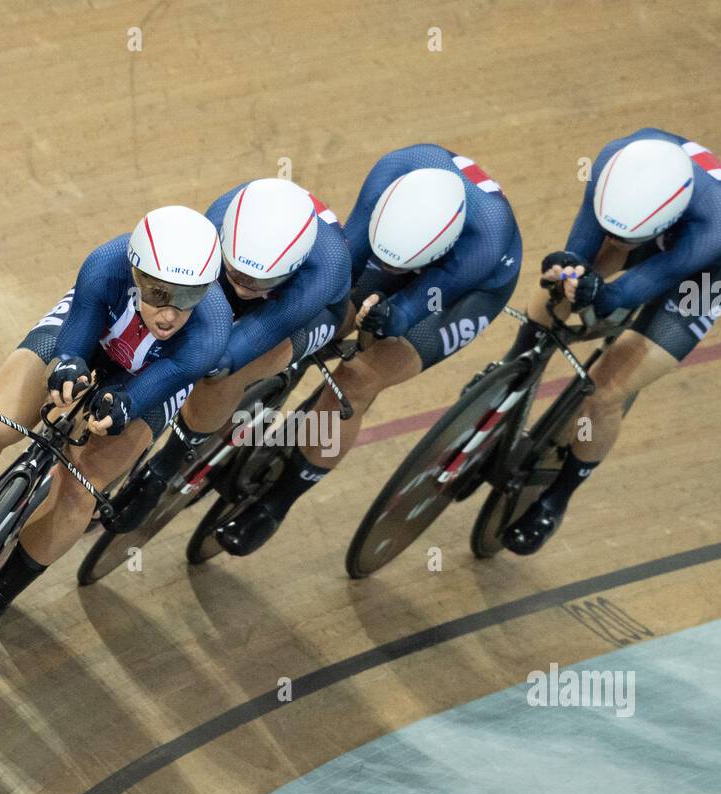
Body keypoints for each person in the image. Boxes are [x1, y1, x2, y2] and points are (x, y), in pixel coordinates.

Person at [0, 205, 232, 664]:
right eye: (158, 293)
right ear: (135, 271)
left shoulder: (212, 331)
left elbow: (160, 382)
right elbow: (79, 333)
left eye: (187, 298)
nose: (170, 313)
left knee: (80, 491)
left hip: (151, 380)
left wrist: (122, 405)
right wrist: (70, 363)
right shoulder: (106, 263)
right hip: (91, 337)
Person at [215, 144, 523, 556]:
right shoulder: (395, 169)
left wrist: (393, 318)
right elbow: (348, 264)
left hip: (464, 290)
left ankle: (278, 501)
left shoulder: (486, 238)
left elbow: (416, 306)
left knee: (357, 378)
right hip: (392, 245)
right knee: (325, 312)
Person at [501, 128, 721, 554]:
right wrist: (569, 272)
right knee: (555, 296)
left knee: (604, 393)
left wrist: (600, 295)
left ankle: (556, 499)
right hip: (646, 227)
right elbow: (578, 257)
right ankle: (513, 375)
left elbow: (633, 290)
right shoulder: (615, 161)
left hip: (702, 274)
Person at [104, 178, 352, 533]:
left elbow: (247, 341)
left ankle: (168, 464)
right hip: (256, 272)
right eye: (235, 273)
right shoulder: (220, 218)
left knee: (225, 368)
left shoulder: (326, 267)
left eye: (258, 282)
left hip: (308, 312)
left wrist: (208, 355)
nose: (242, 287)